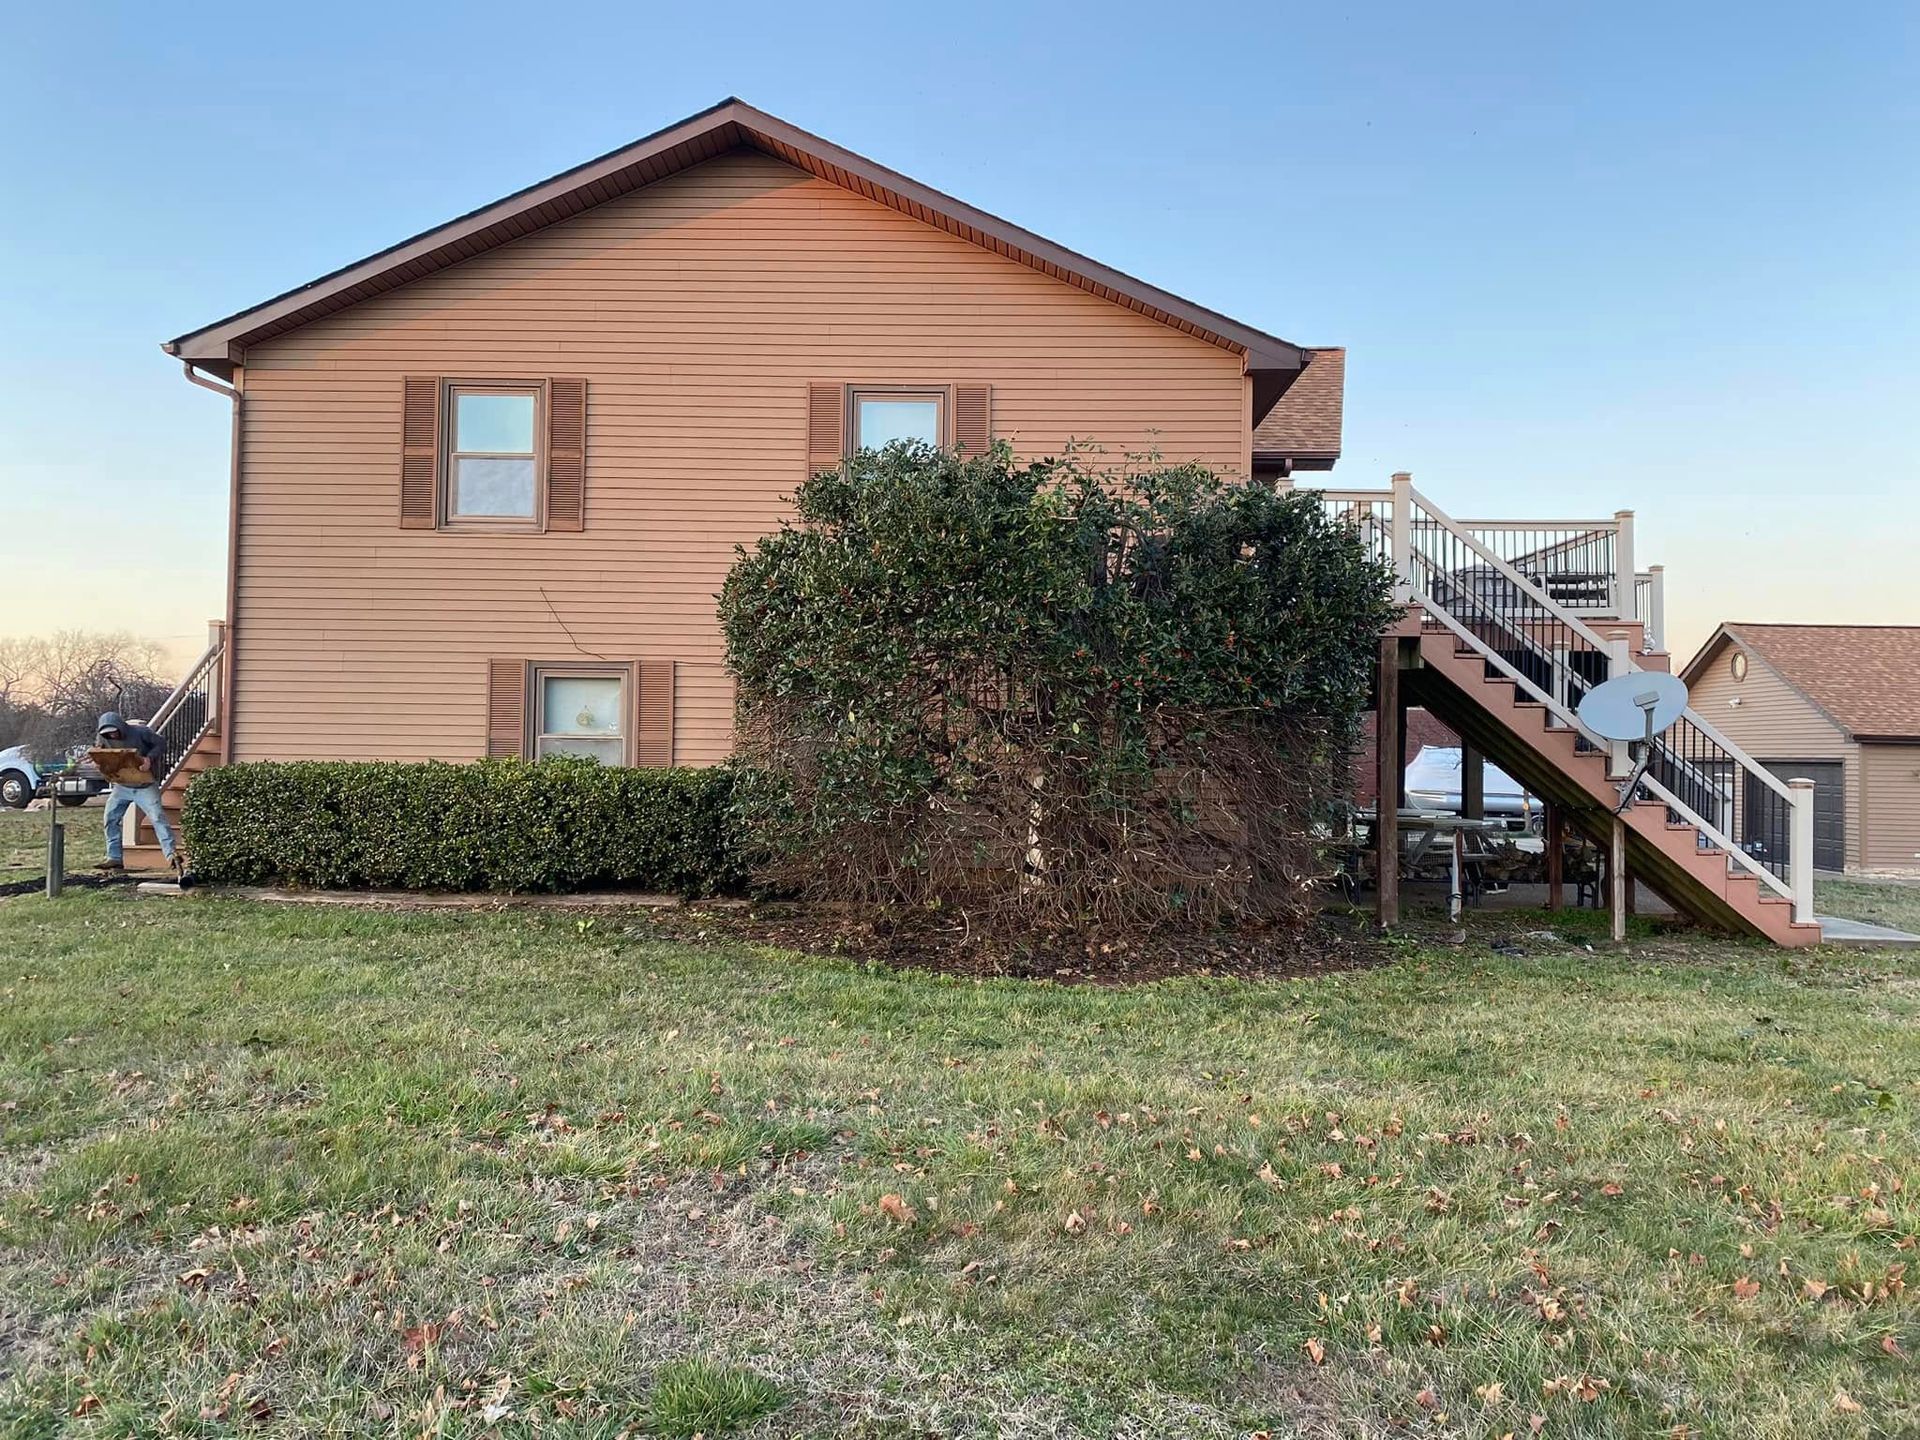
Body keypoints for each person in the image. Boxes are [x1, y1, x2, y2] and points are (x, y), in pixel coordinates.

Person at [92, 710, 179, 875]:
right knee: (110, 818)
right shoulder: (103, 738)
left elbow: (161, 744)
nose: (112, 736)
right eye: (108, 734)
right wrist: (99, 762)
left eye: (114, 732)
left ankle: (171, 855)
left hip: (145, 785)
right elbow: (100, 752)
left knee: (157, 818)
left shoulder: (141, 732)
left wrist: (149, 759)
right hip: (121, 784)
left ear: (120, 726)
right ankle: (114, 858)